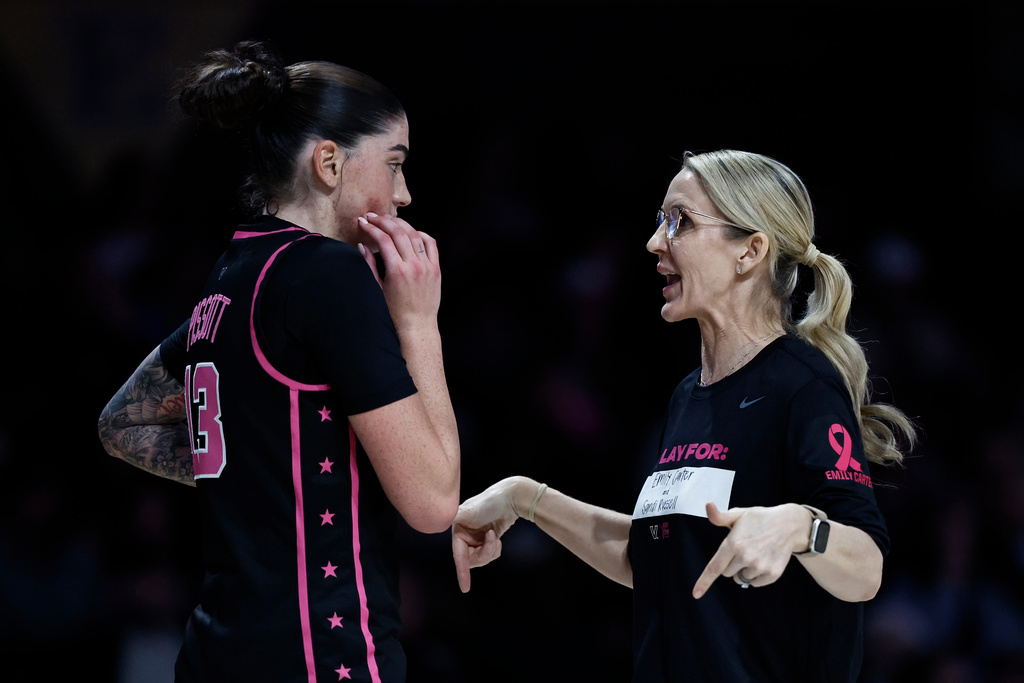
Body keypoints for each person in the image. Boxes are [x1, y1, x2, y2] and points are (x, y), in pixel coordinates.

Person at [451, 149, 916, 682]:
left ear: (750, 251)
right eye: (659, 221)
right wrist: (523, 497)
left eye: (681, 222)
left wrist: (799, 527)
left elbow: (866, 569)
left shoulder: (802, 386)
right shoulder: (686, 397)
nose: (655, 242)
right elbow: (656, 559)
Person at [97, 41, 460, 683]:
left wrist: (263, 479)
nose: (404, 193)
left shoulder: (231, 275)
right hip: (322, 655)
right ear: (328, 163)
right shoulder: (329, 274)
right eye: (395, 164)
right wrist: (418, 323)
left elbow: (121, 425)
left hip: (217, 652)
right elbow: (433, 502)